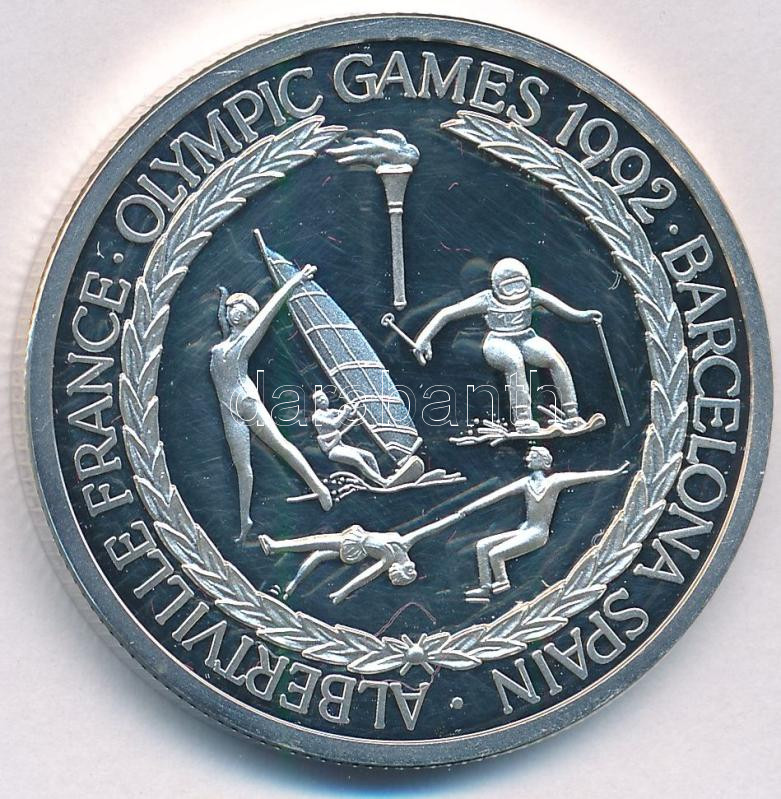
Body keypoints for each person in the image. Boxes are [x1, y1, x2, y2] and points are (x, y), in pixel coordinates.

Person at [210, 266, 332, 544]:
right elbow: (223, 320)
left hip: (246, 401)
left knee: (280, 445)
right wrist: (223, 297)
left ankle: (319, 488)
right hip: (228, 410)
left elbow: (270, 310)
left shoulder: (245, 340)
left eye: (241, 310)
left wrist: (296, 280)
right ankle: (245, 520)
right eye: (232, 308)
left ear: (249, 317)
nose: (235, 312)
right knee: (242, 466)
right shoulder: (224, 343)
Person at [413, 258, 601, 434]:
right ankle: (523, 420)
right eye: (509, 288)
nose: (516, 292)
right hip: (498, 341)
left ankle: (572, 415)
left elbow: (564, 310)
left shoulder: (533, 295)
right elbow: (447, 313)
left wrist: (585, 317)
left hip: (526, 337)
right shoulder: (487, 299)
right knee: (513, 361)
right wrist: (424, 339)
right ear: (496, 287)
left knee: (554, 359)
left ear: (527, 281)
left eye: (520, 285)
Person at [459, 446, 629, 602]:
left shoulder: (555, 481)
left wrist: (615, 473)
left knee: (495, 554)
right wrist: (467, 510)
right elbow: (495, 496)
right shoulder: (526, 483)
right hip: (525, 530)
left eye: (532, 457)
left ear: (542, 461)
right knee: (482, 546)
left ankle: (502, 582)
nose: (527, 459)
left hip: (537, 534)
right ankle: (485, 587)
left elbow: (585, 477)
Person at [311, 389, 388, 486]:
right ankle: (384, 483)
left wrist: (356, 405)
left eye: (323, 397)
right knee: (358, 461)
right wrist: (345, 412)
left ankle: (378, 483)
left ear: (327, 398)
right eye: (318, 400)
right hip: (333, 450)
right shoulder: (316, 417)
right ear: (315, 404)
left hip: (341, 445)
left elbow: (350, 415)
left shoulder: (331, 411)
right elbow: (335, 424)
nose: (322, 400)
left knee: (369, 456)